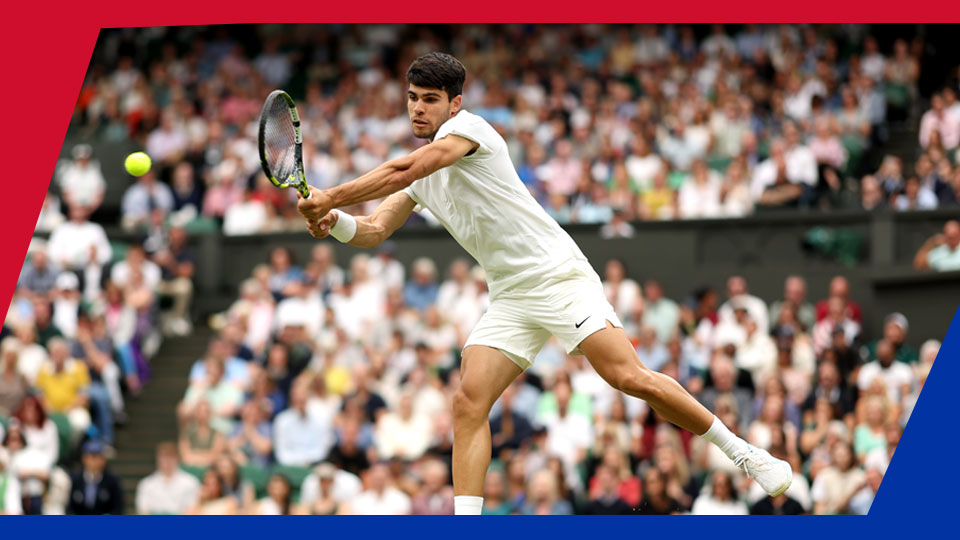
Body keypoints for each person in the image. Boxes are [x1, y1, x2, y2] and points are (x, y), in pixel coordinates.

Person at [296, 52, 792, 515]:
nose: (419, 108)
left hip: (558, 276)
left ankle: (745, 454)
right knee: (469, 400)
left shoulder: (470, 131)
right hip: (510, 296)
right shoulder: (419, 175)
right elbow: (374, 231)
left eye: (430, 99)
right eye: (412, 98)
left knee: (628, 378)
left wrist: (331, 194)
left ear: (454, 103)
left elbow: (409, 165)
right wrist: (333, 219)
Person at [135, 442, 201, 515]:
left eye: (170, 456)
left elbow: (192, 510)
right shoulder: (146, 484)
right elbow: (143, 511)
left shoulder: (191, 482)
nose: (167, 460)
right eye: (163, 456)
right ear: (158, 458)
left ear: (177, 458)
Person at [66, 440, 123, 515]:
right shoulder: (75, 479)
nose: (93, 461)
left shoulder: (112, 480)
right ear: (84, 459)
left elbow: (118, 508)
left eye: (96, 457)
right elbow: (70, 508)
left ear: (103, 460)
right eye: (89, 457)